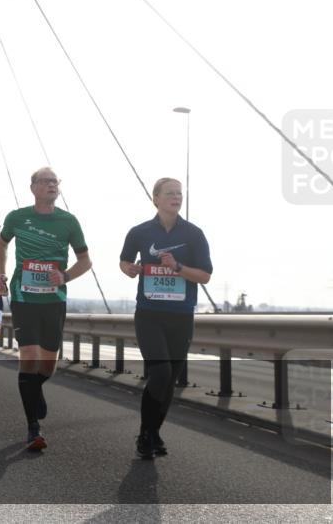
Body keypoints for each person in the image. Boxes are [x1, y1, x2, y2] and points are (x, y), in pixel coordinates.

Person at [0, 167, 91, 451]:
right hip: (23, 297)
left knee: (48, 364)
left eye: (55, 181)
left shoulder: (69, 221)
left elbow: (86, 260)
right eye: (46, 181)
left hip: (54, 299)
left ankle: (36, 390)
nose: (52, 185)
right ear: (33, 187)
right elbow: (1, 245)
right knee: (29, 355)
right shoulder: (17, 217)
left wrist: (65, 276)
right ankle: (33, 427)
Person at [120, 177, 212, 459]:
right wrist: (131, 269)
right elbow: (124, 261)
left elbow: (205, 276)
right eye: (170, 193)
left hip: (181, 316)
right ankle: (146, 435)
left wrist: (179, 267)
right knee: (159, 372)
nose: (176, 197)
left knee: (169, 378)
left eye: (180, 193)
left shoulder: (194, 234)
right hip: (149, 314)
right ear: (156, 198)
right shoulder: (139, 232)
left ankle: (153, 431)